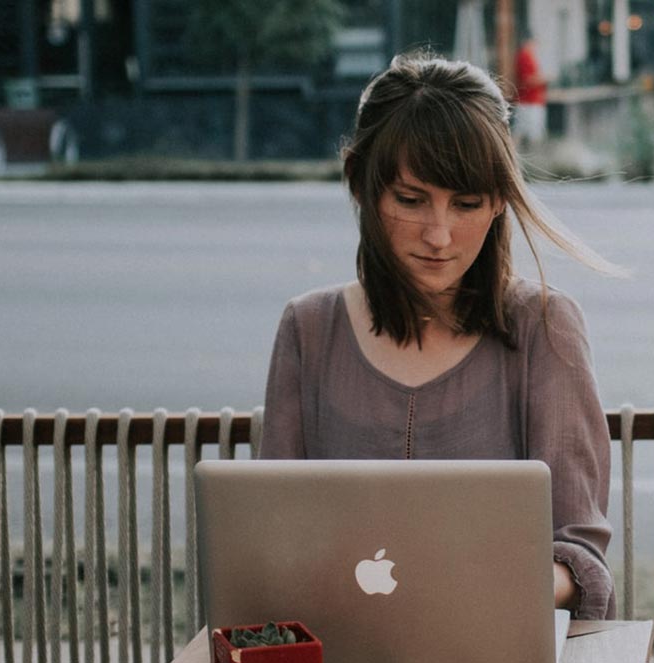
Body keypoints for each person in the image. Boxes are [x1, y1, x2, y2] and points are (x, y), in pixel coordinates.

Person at [258, 52, 625, 621]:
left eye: (467, 203)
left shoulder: (544, 326)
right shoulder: (308, 328)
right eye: (410, 200)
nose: (439, 234)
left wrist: (471, 588)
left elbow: (578, 555)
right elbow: (271, 538)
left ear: (500, 200)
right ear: (361, 185)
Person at [514, 34, 549, 148]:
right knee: (530, 132)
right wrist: (544, 79)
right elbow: (527, 80)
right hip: (528, 101)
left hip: (532, 100)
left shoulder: (529, 56)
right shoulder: (524, 56)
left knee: (523, 130)